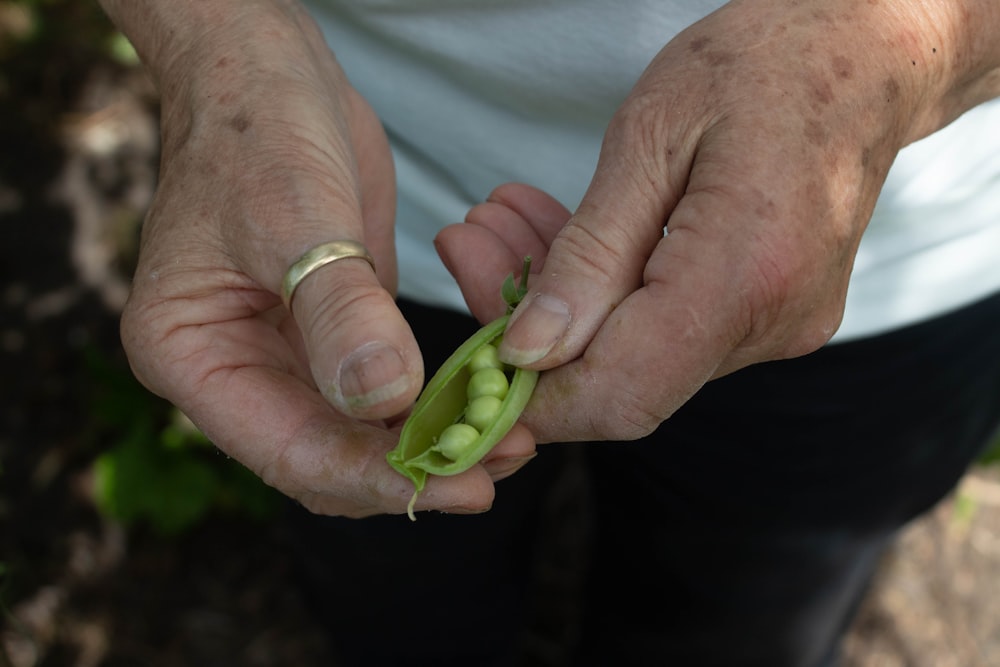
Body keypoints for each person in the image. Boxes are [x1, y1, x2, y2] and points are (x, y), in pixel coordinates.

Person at [97, 1, 1000, 665]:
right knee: (403, 607)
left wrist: (914, 42)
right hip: (348, 204)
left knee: (734, 626)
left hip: (871, 244)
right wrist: (214, 43)